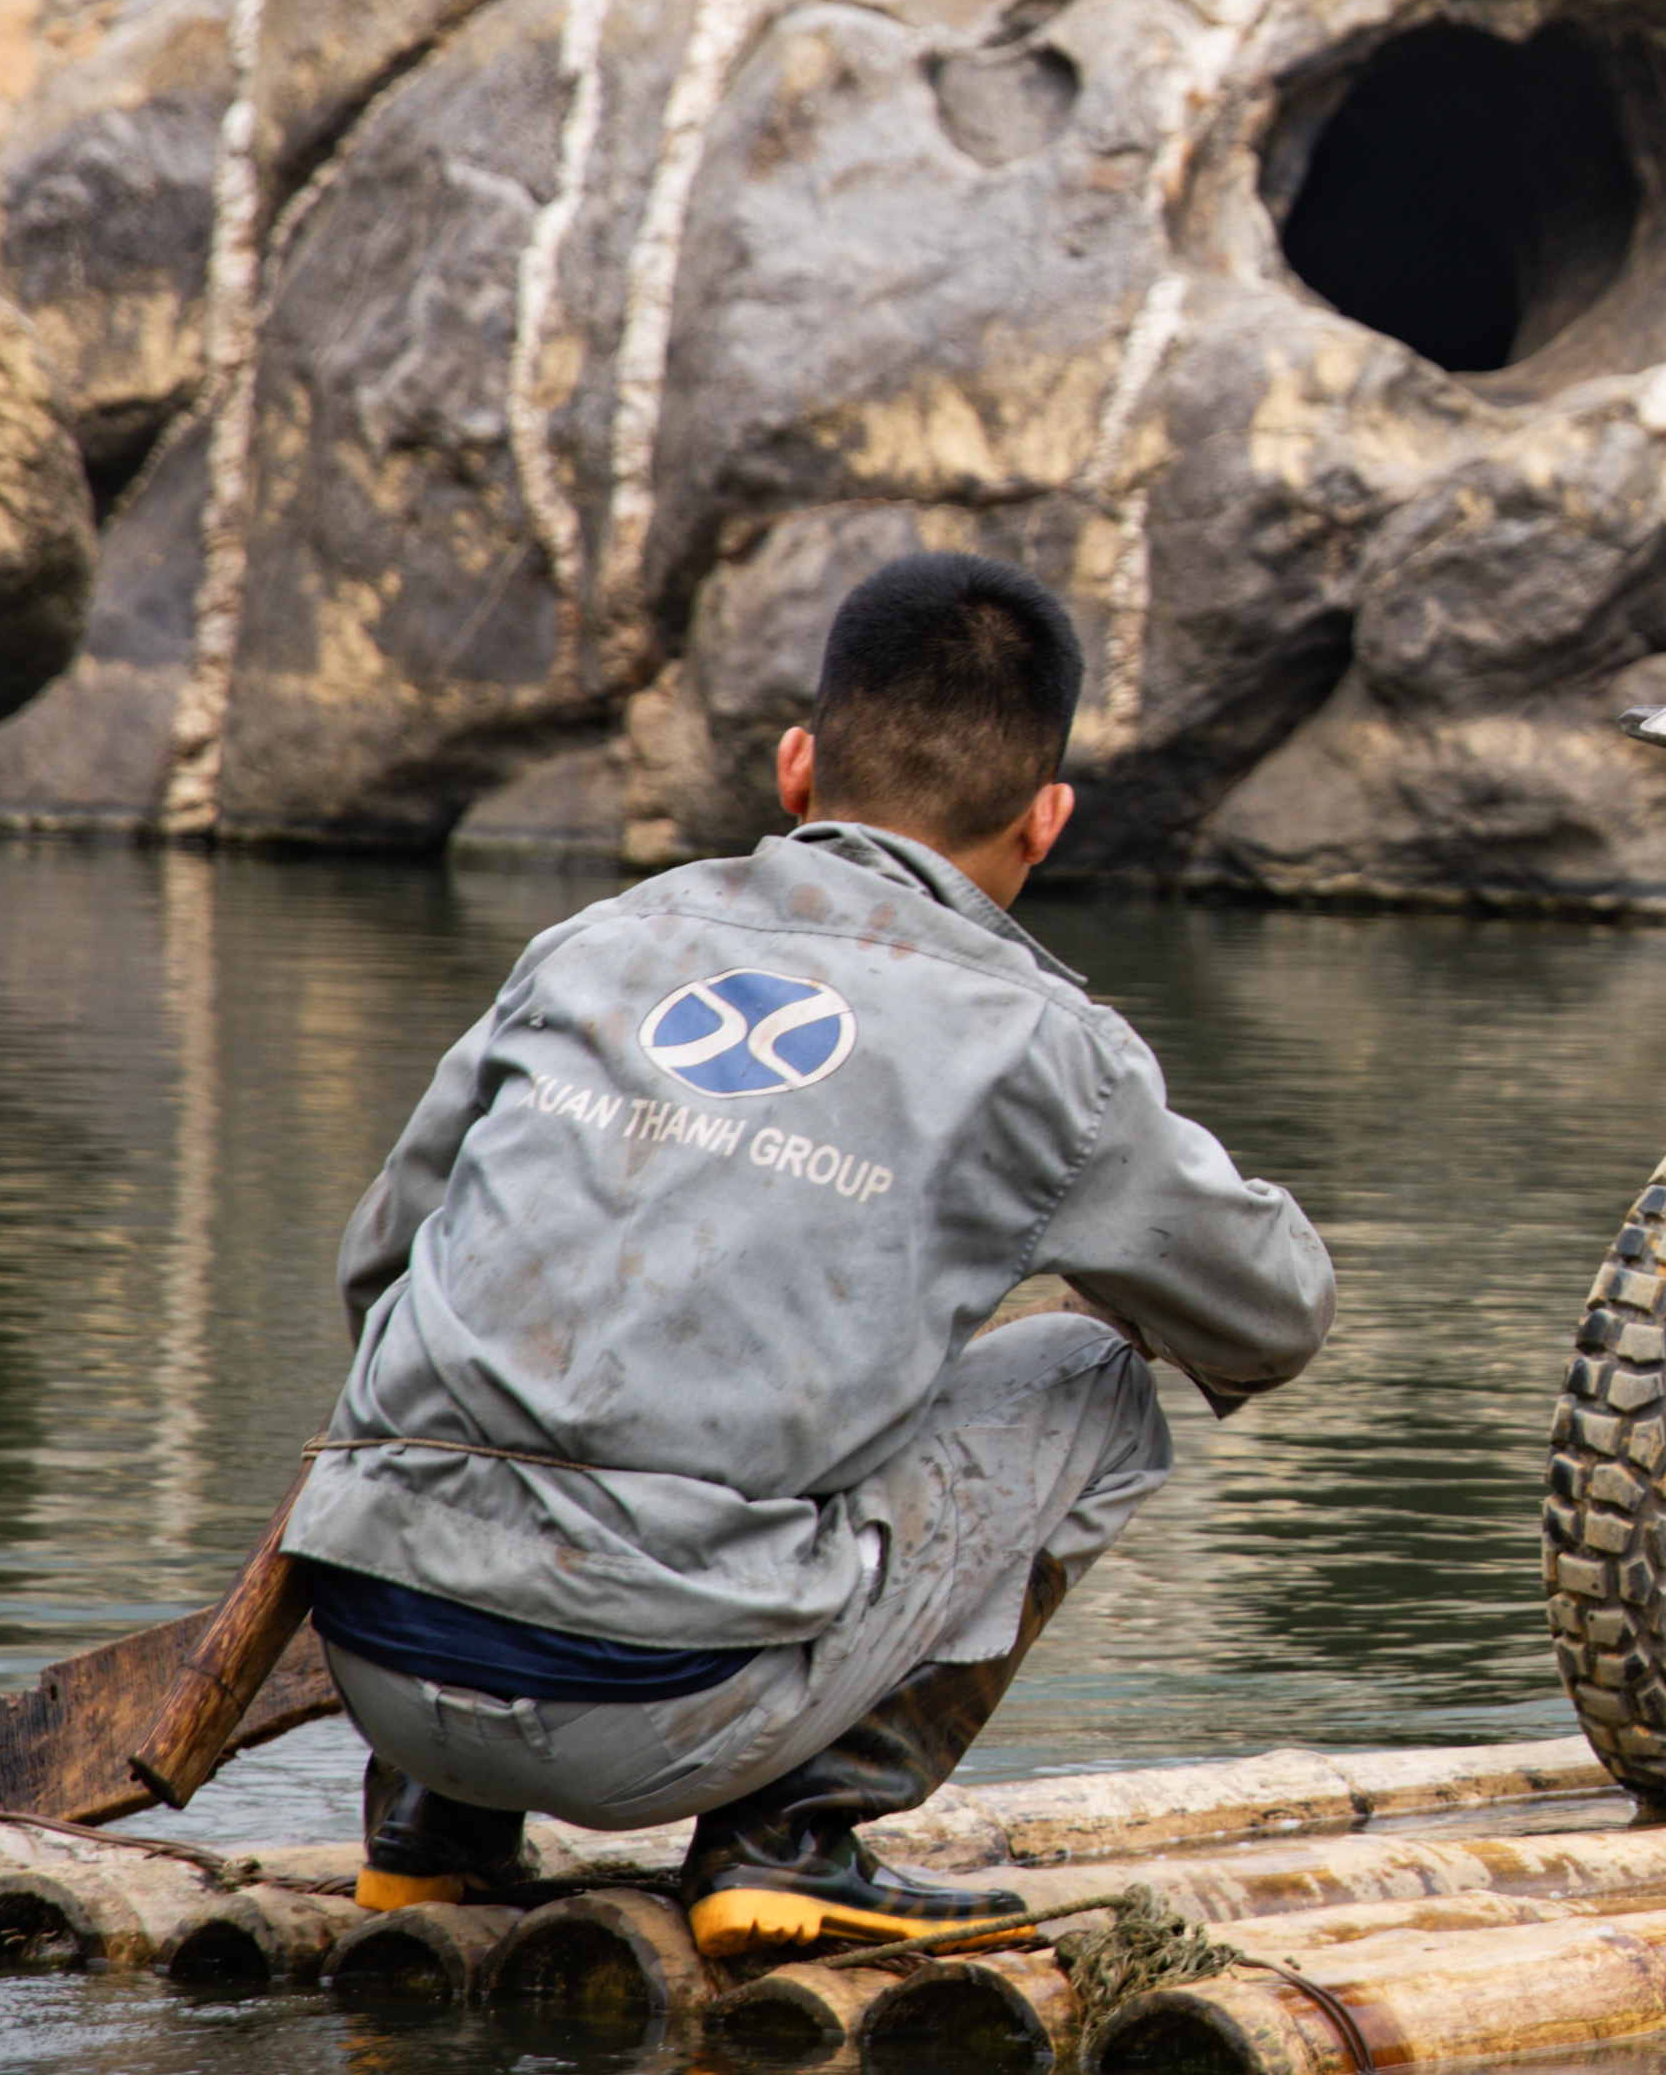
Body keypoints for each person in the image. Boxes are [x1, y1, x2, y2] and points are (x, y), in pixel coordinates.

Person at [288, 552, 1334, 1951]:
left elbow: (382, 1265)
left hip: (379, 1649)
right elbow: (1276, 1314)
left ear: (794, 766)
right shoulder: (1043, 1049)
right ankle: (788, 1842)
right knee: (1092, 1376)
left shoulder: (596, 943)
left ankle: (433, 1831)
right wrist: (1086, 1268)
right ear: (1048, 821)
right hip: (659, 1710)